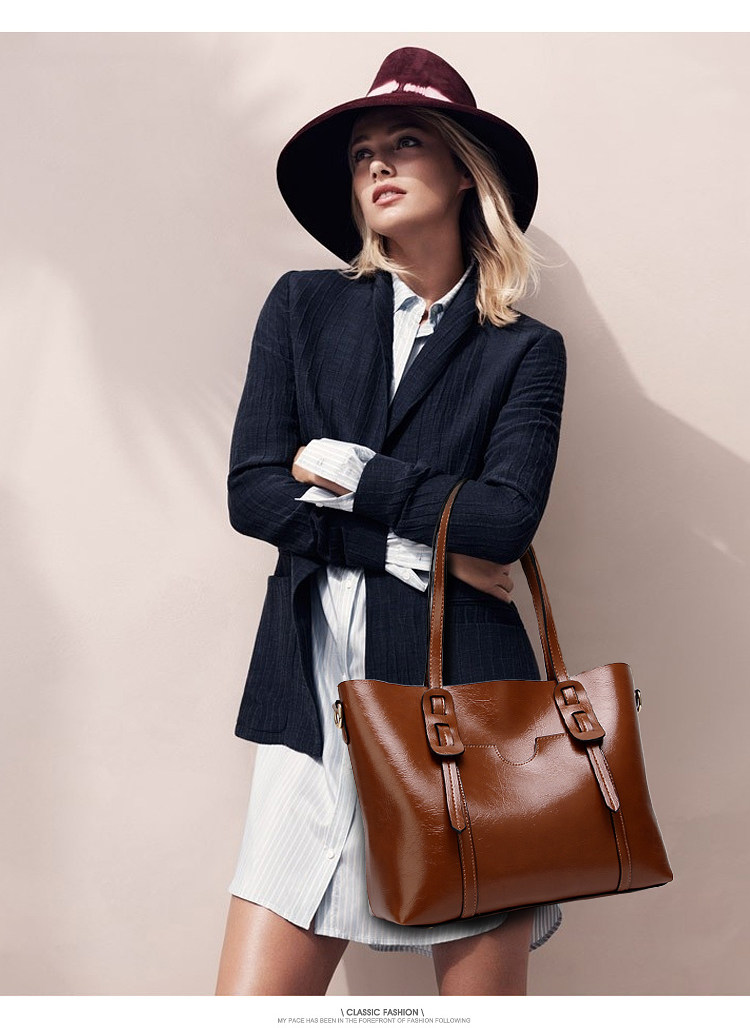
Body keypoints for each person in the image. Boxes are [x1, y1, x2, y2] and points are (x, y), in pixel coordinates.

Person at [215, 47, 567, 997]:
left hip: (468, 708)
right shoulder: (303, 306)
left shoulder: (525, 351)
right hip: (311, 701)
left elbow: (502, 521)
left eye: (405, 142)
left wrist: (345, 468)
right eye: (362, 150)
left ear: (464, 171)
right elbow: (254, 493)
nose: (376, 162)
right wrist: (407, 545)